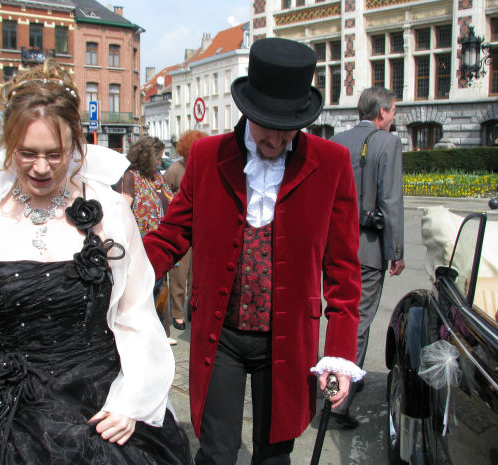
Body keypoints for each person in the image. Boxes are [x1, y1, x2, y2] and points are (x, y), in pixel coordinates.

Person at [0, 60, 192, 465]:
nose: (42, 168)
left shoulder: (111, 210)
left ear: (75, 147)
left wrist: (132, 399)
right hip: (4, 402)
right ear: (8, 145)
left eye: (55, 154)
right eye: (27, 153)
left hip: (97, 394)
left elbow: (134, 312)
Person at [143, 38, 365, 465]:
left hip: (287, 339)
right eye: (267, 125)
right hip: (220, 335)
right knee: (216, 452)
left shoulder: (332, 163)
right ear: (247, 111)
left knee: (274, 455)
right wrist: (121, 272)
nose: (277, 139)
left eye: (288, 128)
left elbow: (343, 272)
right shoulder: (208, 156)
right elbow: (170, 236)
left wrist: (339, 353)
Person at [329, 86, 405, 428]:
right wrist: (396, 252)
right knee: (357, 324)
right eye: (393, 112)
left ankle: (345, 381)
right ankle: (336, 402)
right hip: (368, 249)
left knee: (341, 319)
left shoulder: (337, 141)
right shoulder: (387, 143)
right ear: (382, 112)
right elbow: (391, 201)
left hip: (336, 247)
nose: (393, 118)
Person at [115, 135, 176, 343]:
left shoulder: (157, 177)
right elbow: (122, 210)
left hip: (161, 240)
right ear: (146, 156)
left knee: (160, 288)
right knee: (143, 289)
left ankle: (159, 334)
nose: (159, 162)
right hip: (141, 243)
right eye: (157, 158)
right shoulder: (130, 177)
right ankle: (141, 335)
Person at [164, 130, 207, 330]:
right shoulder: (175, 169)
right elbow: (163, 194)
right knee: (179, 275)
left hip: (201, 230)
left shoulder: (204, 168)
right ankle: (177, 313)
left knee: (197, 274)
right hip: (181, 229)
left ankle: (192, 309)